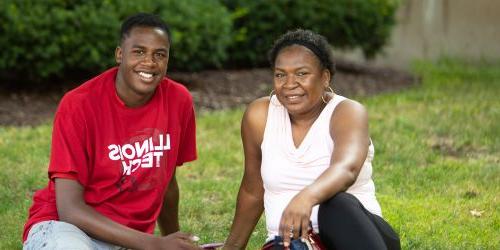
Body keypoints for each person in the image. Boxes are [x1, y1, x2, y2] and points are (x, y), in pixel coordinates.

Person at [22, 13, 200, 250]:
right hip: (68, 230)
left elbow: (167, 183)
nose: (149, 61)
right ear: (119, 54)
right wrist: (155, 244)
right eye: (138, 52)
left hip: (127, 239)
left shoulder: (178, 100)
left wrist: (173, 239)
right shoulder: (78, 104)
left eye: (160, 54)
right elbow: (69, 209)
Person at [224, 29, 401, 249]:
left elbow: (347, 168)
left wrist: (307, 197)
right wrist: (231, 247)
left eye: (301, 73)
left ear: (325, 77)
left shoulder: (347, 112)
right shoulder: (260, 115)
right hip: (292, 243)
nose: (289, 84)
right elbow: (253, 189)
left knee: (334, 204)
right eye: (280, 74)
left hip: (358, 237)